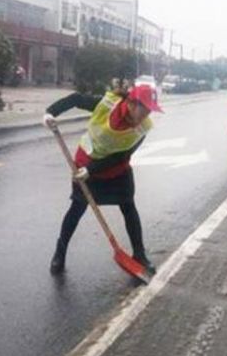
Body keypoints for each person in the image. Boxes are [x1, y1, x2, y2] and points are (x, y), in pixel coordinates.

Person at [42, 79, 163, 275]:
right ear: (131, 103)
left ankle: (139, 255)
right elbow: (76, 99)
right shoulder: (107, 103)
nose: (147, 115)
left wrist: (92, 169)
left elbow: (121, 155)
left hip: (115, 168)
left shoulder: (143, 127)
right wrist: (50, 112)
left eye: (150, 110)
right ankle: (60, 253)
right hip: (86, 159)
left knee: (128, 207)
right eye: (145, 109)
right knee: (77, 208)